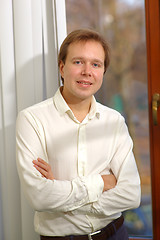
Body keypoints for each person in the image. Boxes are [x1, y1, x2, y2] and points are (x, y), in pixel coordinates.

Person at [16, 29, 141, 240]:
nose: (87, 71)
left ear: (103, 71)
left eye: (96, 64)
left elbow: (131, 194)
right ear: (62, 67)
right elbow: (39, 197)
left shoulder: (114, 121)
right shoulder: (32, 120)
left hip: (115, 235)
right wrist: (102, 183)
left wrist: (63, 201)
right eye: (78, 62)